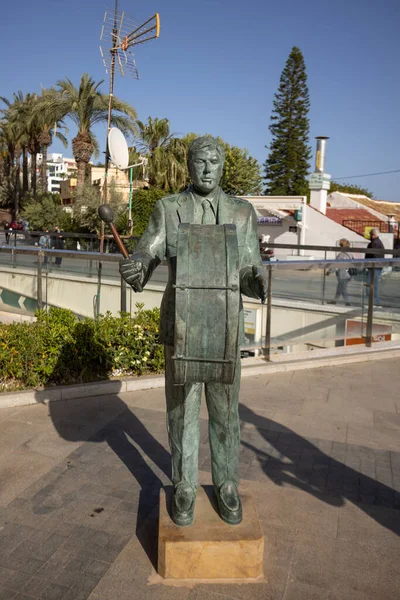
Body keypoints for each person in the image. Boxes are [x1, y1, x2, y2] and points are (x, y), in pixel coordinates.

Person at [119, 136, 267, 527]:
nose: (207, 168)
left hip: (224, 328)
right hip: (182, 324)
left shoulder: (242, 213)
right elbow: (147, 251)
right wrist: (137, 265)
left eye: (214, 162)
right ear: (189, 166)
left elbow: (250, 268)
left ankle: (227, 485)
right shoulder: (169, 209)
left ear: (223, 166)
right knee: (181, 410)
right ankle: (184, 486)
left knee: (224, 412)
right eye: (200, 161)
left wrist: (258, 281)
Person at [327, 238, 353, 306]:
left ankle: (347, 303)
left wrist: (329, 272)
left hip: (342, 275)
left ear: (342, 246)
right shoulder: (350, 254)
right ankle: (334, 301)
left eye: (340, 245)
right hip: (347, 274)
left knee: (343, 290)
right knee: (339, 289)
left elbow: (336, 265)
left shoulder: (341, 255)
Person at [365, 227, 385, 306]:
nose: (369, 236)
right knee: (374, 286)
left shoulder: (374, 243)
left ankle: (371, 303)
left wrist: (368, 263)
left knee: (369, 285)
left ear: (373, 235)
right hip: (377, 267)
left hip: (373, 267)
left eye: (370, 234)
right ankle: (375, 302)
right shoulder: (379, 242)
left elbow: (374, 255)